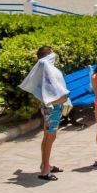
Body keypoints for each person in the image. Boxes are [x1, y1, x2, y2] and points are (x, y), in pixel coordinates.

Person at [18, 45, 68, 181]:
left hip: (48, 108)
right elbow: (56, 94)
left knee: (48, 137)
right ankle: (45, 170)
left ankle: (45, 164)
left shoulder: (44, 71)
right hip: (53, 109)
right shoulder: (49, 71)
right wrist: (64, 99)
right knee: (49, 138)